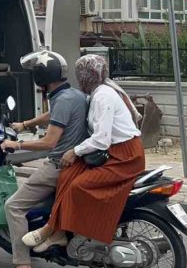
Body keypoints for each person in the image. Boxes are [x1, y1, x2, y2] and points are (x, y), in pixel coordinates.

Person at [22, 54, 145, 252]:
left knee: (79, 186)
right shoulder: (97, 92)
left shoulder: (103, 96)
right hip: (111, 152)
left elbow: (102, 138)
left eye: (81, 76)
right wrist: (28, 123)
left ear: (88, 76)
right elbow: (58, 113)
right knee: (67, 175)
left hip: (125, 156)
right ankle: (59, 233)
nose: (79, 80)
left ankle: (53, 229)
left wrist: (74, 151)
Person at [0, 51, 88, 268]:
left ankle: (22, 266)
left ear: (41, 77)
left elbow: (49, 142)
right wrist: (26, 124)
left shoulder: (63, 100)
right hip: (77, 164)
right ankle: (54, 233)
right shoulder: (72, 95)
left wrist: (16, 145)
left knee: (13, 206)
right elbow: (53, 115)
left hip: (58, 166)